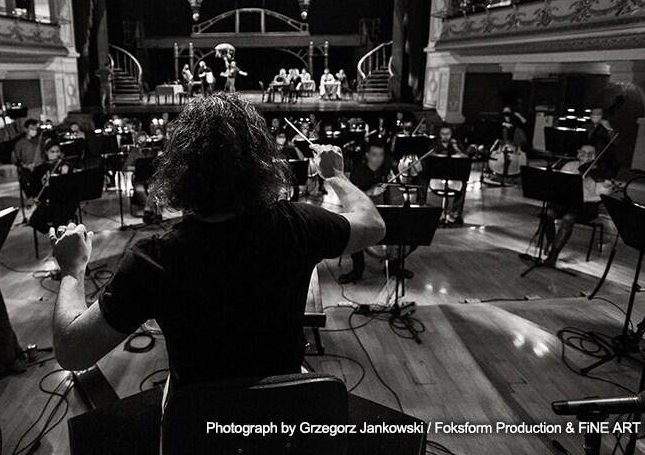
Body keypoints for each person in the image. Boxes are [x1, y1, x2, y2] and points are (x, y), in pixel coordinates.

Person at [49, 93, 386, 403]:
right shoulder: (298, 225)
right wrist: (336, 175)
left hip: (198, 425)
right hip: (281, 415)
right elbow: (373, 225)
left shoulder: (152, 261)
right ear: (261, 163)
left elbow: (71, 351)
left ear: (179, 170)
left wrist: (72, 270)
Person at [540, 144, 614, 266]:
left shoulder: (599, 171)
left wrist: (606, 186)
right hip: (565, 202)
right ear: (578, 153)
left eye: (590, 153)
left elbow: (601, 196)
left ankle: (553, 255)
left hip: (586, 205)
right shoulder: (569, 166)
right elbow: (559, 184)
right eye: (583, 152)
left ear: (595, 155)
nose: (586, 156)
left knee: (568, 218)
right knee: (547, 213)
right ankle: (551, 241)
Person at [339, 140, 398, 284]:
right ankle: (357, 270)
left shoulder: (385, 171)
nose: (378, 159)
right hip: (363, 213)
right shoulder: (358, 172)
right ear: (367, 155)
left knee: (406, 230)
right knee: (354, 231)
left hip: (385, 213)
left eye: (381, 155)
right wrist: (369, 192)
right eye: (374, 155)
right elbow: (350, 199)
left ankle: (394, 267)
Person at [28, 140, 76, 234]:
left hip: (64, 202)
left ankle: (58, 235)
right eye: (52, 152)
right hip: (48, 201)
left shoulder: (66, 167)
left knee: (59, 221)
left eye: (58, 151)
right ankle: (51, 232)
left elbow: (70, 188)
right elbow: (35, 188)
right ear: (46, 153)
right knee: (34, 221)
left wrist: (64, 176)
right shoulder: (40, 169)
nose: (56, 154)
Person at [428, 124, 466, 225]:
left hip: (453, 172)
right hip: (438, 173)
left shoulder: (456, 143)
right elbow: (429, 156)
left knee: (463, 182)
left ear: (451, 134)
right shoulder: (435, 143)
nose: (445, 136)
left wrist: (456, 148)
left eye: (448, 134)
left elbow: (464, 156)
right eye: (443, 134)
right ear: (439, 134)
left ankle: (456, 211)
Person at [13, 119, 43, 198]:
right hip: (27, 170)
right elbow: (14, 158)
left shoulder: (41, 140)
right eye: (31, 129)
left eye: (36, 129)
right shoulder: (20, 143)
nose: (34, 131)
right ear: (26, 129)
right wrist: (26, 166)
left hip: (41, 168)